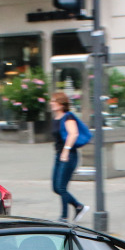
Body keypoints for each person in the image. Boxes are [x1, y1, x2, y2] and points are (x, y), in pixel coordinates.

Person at [49, 92, 86, 221]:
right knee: (55, 187)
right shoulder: (56, 118)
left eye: (54, 101)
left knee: (61, 187)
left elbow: (73, 134)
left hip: (68, 155)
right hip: (59, 155)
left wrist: (66, 151)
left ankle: (64, 217)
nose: (51, 103)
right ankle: (78, 206)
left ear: (61, 103)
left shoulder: (68, 117)